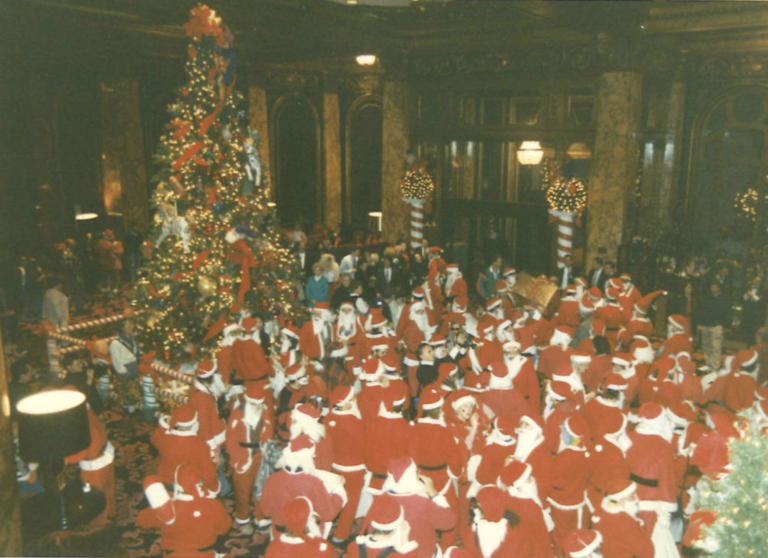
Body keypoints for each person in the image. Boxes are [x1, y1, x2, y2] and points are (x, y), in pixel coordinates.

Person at [696, 282, 731, 371]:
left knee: (716, 347)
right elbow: (702, 310)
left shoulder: (724, 299)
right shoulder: (707, 298)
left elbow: (727, 313)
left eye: (715, 287)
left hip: (717, 325)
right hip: (706, 325)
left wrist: (725, 326)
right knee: (706, 345)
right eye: (712, 287)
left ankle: (715, 368)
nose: (713, 289)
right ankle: (708, 364)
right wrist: (700, 323)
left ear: (719, 288)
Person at [108, 319, 142, 413]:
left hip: (133, 369)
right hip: (125, 372)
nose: (131, 327)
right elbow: (116, 361)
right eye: (128, 325)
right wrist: (124, 372)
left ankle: (133, 412)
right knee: (127, 395)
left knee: (134, 394)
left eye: (131, 324)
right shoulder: (115, 343)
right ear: (122, 328)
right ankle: (129, 415)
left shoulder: (133, 340)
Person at [741, 275, 766, 345]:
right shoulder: (748, 288)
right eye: (755, 280)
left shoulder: (763, 290)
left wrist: (753, 295)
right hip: (746, 316)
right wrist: (746, 295)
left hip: (756, 318)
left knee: (754, 336)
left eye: (758, 281)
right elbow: (743, 300)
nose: (756, 282)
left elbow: (762, 302)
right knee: (745, 335)